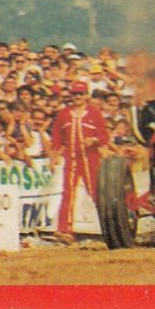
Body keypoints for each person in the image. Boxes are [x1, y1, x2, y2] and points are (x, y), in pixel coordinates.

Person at [48, 79, 108, 243]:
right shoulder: (64, 114)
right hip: (72, 159)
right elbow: (57, 137)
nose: (78, 97)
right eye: (75, 94)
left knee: (97, 194)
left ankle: (110, 228)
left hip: (91, 159)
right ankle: (65, 230)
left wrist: (94, 140)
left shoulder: (94, 112)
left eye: (81, 94)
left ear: (87, 95)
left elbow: (104, 136)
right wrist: (54, 158)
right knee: (68, 193)